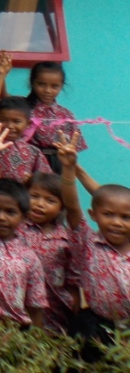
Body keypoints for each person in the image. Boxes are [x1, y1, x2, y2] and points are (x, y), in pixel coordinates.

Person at [57, 134, 130, 352]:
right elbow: (72, 206)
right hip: (95, 325)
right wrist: (70, 169)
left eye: (125, 218)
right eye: (108, 215)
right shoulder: (88, 242)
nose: (116, 223)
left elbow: (109, 200)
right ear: (94, 215)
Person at [0, 178, 48, 328]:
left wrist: (35, 341)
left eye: (10, 212)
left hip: (14, 331)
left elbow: (35, 306)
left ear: (24, 217)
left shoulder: (28, 258)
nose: (1, 217)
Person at [23, 171, 78, 333]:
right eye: (34, 196)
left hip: (54, 309)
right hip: (20, 306)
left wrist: (74, 314)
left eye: (50, 200)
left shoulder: (66, 240)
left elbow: (73, 280)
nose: (40, 204)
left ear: (62, 207)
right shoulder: (17, 229)